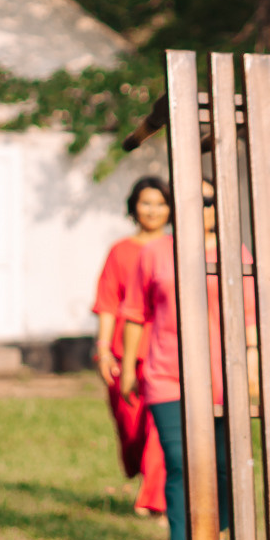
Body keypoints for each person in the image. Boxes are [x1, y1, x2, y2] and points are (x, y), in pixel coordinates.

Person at [119, 176, 256, 540]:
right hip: (166, 373)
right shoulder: (156, 253)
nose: (203, 208)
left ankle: (219, 535)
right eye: (194, 200)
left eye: (210, 200)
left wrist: (251, 372)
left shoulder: (236, 253)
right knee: (180, 460)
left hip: (222, 375)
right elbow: (134, 314)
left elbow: (249, 318)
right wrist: (129, 367)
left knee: (223, 462)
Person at [93, 177, 172, 516]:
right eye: (146, 202)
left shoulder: (177, 249)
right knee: (131, 427)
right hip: (125, 349)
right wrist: (104, 349)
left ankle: (153, 499)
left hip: (166, 349)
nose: (153, 210)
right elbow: (108, 302)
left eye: (160, 203)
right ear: (134, 207)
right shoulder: (121, 251)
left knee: (161, 425)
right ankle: (142, 475)